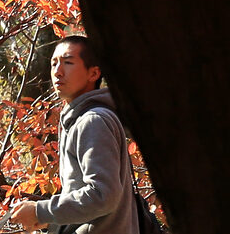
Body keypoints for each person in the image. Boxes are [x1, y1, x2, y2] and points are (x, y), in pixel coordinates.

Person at [9, 35, 138, 234]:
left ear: (93, 73)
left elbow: (102, 196)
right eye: (53, 64)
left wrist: (40, 212)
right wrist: (52, 221)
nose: (57, 72)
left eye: (68, 62)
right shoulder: (80, 119)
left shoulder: (93, 120)